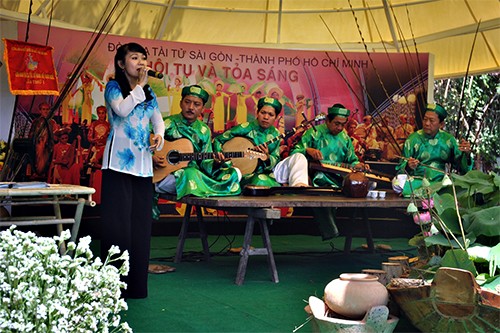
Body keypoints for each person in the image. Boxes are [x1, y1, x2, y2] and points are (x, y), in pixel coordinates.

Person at [100, 42, 165, 299]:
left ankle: (136, 287)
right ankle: (112, 287)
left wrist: (159, 136)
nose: (140, 62)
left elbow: (157, 120)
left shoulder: (148, 92)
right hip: (117, 165)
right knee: (117, 227)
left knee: (140, 227)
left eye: (143, 58)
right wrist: (140, 86)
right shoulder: (113, 87)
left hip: (142, 167)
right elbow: (122, 109)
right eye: (135, 57)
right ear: (120, 63)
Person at [274, 104, 368, 240]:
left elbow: (351, 160)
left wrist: (358, 165)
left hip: (338, 178)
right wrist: (308, 150)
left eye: (343, 124)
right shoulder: (313, 133)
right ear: (327, 120)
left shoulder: (345, 138)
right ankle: (330, 231)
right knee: (320, 188)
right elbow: (295, 154)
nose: (340, 128)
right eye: (336, 124)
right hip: (317, 177)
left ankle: (334, 230)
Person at [154, 85, 241, 199]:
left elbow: (205, 163)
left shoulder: (204, 131)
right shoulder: (166, 124)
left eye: (196, 104)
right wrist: (151, 156)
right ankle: (208, 189)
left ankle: (200, 188)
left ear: (202, 108)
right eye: (187, 102)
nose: (191, 107)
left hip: (196, 175)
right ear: (180, 103)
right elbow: (142, 141)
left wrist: (216, 163)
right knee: (189, 173)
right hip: (165, 178)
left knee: (235, 172)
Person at [393, 103, 473, 197]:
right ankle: (433, 193)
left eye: (431, 120)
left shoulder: (448, 140)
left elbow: (462, 169)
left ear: (441, 124)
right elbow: (401, 170)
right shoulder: (412, 139)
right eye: (425, 119)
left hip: (440, 182)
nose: (427, 123)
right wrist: (408, 166)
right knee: (396, 183)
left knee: (461, 185)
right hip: (417, 181)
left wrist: (466, 155)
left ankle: (431, 192)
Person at [213, 97, 282, 188]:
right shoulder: (246, 127)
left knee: (266, 181)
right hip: (241, 172)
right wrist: (225, 161)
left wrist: (267, 158)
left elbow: (276, 158)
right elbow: (218, 140)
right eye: (263, 113)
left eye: (270, 114)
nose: (266, 117)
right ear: (257, 113)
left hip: (262, 173)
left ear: (276, 117)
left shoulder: (276, 134)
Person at [28, 102, 60, 180]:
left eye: (47, 109)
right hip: (38, 145)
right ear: (40, 111)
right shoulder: (36, 122)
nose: (45, 111)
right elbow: (31, 135)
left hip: (48, 146)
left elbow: (56, 135)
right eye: (43, 109)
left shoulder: (52, 122)